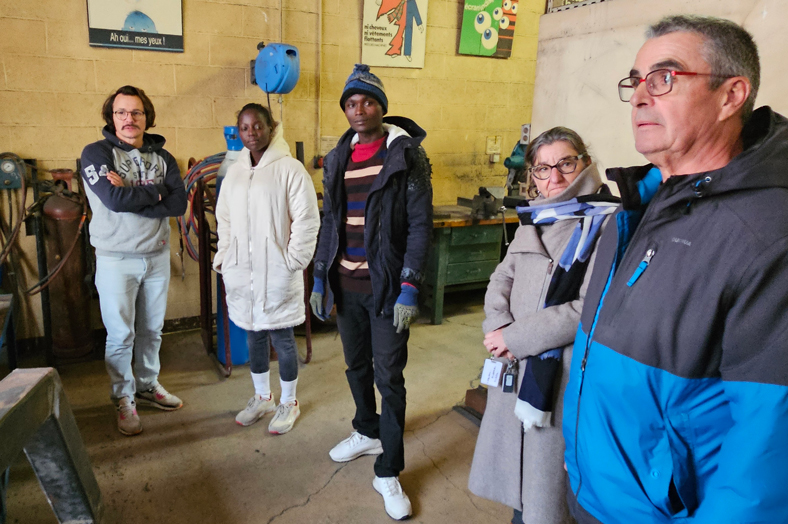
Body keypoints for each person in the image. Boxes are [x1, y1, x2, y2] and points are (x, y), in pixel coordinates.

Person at [562, 15, 788, 523]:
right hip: (596, 494)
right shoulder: (644, 203)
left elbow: (767, 461)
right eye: (635, 81)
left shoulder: (769, 235)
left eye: (663, 78)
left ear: (731, 95)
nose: (641, 96)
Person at [468, 128, 617, 524]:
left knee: (547, 491)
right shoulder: (533, 220)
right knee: (519, 482)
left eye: (566, 163)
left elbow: (588, 306)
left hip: (559, 378)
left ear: (584, 161)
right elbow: (501, 279)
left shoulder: (605, 223)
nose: (554, 178)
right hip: (516, 370)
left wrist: (515, 338)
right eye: (542, 168)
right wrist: (498, 328)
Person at [310, 64, 432, 521]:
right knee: (356, 363)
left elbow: (421, 224)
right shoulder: (339, 156)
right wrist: (321, 275)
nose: (359, 110)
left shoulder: (406, 155)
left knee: (390, 376)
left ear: (382, 107)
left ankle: (388, 468)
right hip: (346, 283)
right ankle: (366, 429)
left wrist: (409, 286)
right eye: (351, 103)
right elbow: (331, 220)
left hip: (385, 288)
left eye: (368, 101)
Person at [81, 85, 187, 436]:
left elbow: (178, 205)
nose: (129, 119)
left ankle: (147, 384)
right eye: (122, 112)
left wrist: (134, 192)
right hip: (116, 259)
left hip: (155, 256)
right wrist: (156, 191)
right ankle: (123, 398)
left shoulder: (164, 158)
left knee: (152, 329)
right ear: (111, 117)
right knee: (121, 333)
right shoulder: (96, 153)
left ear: (147, 117)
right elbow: (112, 199)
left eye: (136, 112)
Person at [213, 103, 319, 435]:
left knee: (283, 339)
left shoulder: (290, 169)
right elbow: (225, 220)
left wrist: (293, 261)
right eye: (244, 128)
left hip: (277, 273)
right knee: (254, 335)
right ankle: (263, 397)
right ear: (238, 132)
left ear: (271, 127)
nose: (251, 133)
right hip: (243, 273)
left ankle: (289, 402)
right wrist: (225, 258)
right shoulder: (235, 172)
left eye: (257, 126)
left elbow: (306, 220)